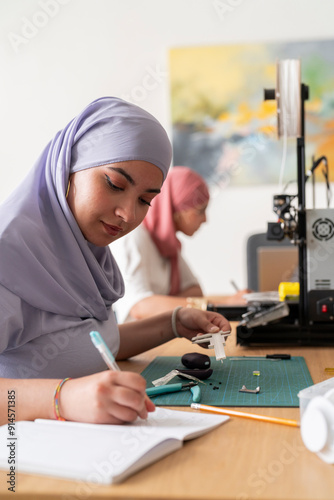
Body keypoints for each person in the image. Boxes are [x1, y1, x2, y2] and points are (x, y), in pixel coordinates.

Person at [0, 97, 230, 426]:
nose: (128, 214)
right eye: (114, 184)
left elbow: (94, 343)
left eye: (145, 200)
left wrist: (174, 323)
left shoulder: (84, 250)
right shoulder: (8, 255)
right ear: (68, 166)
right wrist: (61, 399)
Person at [112, 166, 248, 323]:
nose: (205, 219)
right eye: (200, 211)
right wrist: (221, 305)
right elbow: (140, 307)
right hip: (141, 343)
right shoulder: (133, 237)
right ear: (176, 210)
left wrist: (162, 304)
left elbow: (195, 291)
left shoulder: (167, 243)